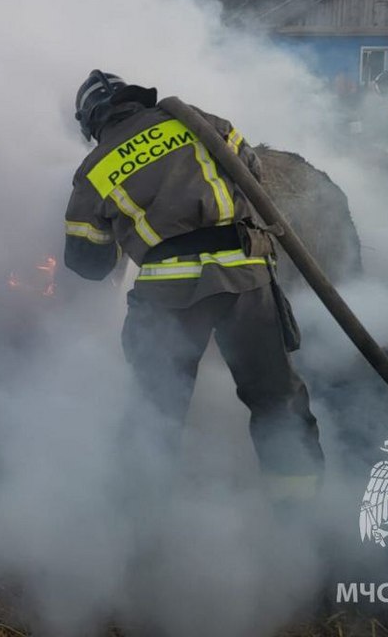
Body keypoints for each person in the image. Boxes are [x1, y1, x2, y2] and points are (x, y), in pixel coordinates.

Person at [63, 70, 324, 504]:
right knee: (275, 397)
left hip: (169, 296)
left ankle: (140, 524)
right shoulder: (202, 122)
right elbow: (253, 175)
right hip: (246, 276)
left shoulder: (94, 168)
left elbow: (87, 261)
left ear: (91, 121)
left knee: (156, 410)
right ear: (136, 99)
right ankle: (300, 512)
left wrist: (122, 232)